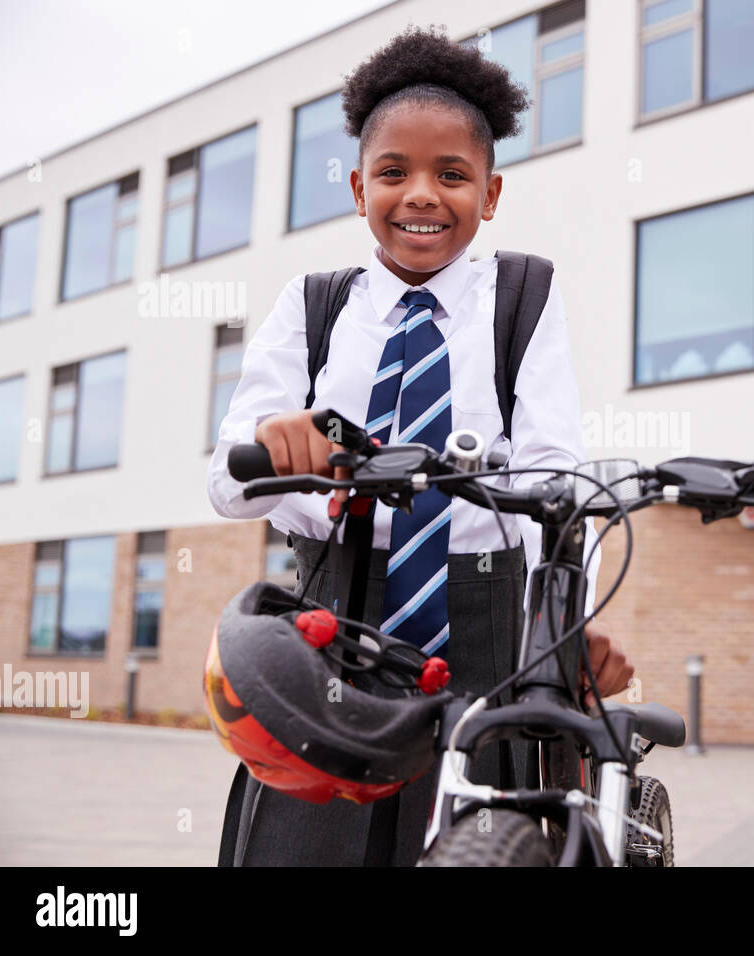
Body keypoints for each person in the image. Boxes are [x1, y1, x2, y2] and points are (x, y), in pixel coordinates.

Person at [205, 23, 633, 865]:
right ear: (360, 185)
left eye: (452, 175)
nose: (422, 196)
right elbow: (226, 479)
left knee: (488, 840)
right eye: (394, 173)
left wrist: (561, 623)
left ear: (492, 192)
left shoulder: (523, 296)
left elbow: (557, 481)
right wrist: (285, 454)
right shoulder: (314, 305)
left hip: (487, 637)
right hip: (334, 631)